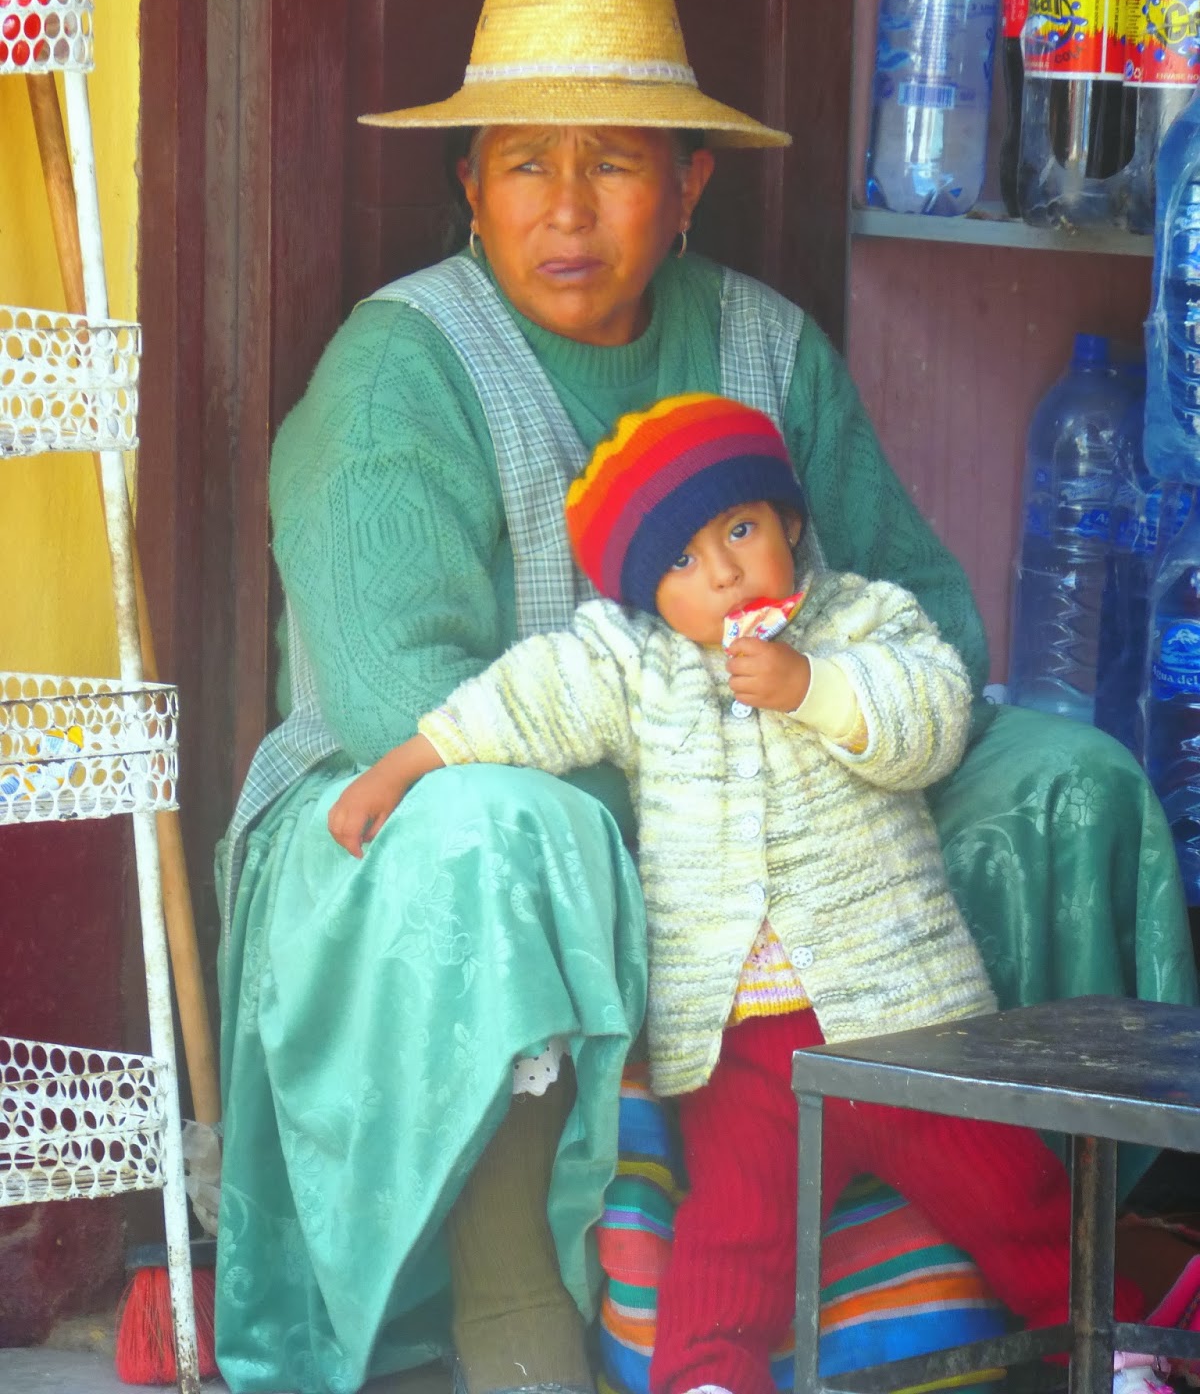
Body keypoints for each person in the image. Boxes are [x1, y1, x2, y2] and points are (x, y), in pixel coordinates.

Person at [213, 0, 1197, 1394]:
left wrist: (823, 717)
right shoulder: (398, 369)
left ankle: (1072, 1272)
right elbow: (395, 704)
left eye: (613, 162)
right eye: (524, 163)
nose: (565, 206)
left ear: (689, 185)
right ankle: (514, 1315)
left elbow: (928, 614)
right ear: (470, 184)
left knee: (1070, 774)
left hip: (788, 791)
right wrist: (699, 803)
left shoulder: (762, 345)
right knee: (516, 829)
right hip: (423, 828)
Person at [325, 392, 1156, 1394]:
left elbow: (931, 718)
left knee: (1023, 1205)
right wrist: (406, 763)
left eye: (740, 530)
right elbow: (531, 696)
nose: (721, 572)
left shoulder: (862, 619)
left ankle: (1123, 1356)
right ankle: (708, 1375)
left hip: (912, 1030)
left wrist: (813, 687)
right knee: (730, 1239)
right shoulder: (640, 666)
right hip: (746, 1055)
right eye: (681, 561)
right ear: (649, 595)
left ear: (789, 522)